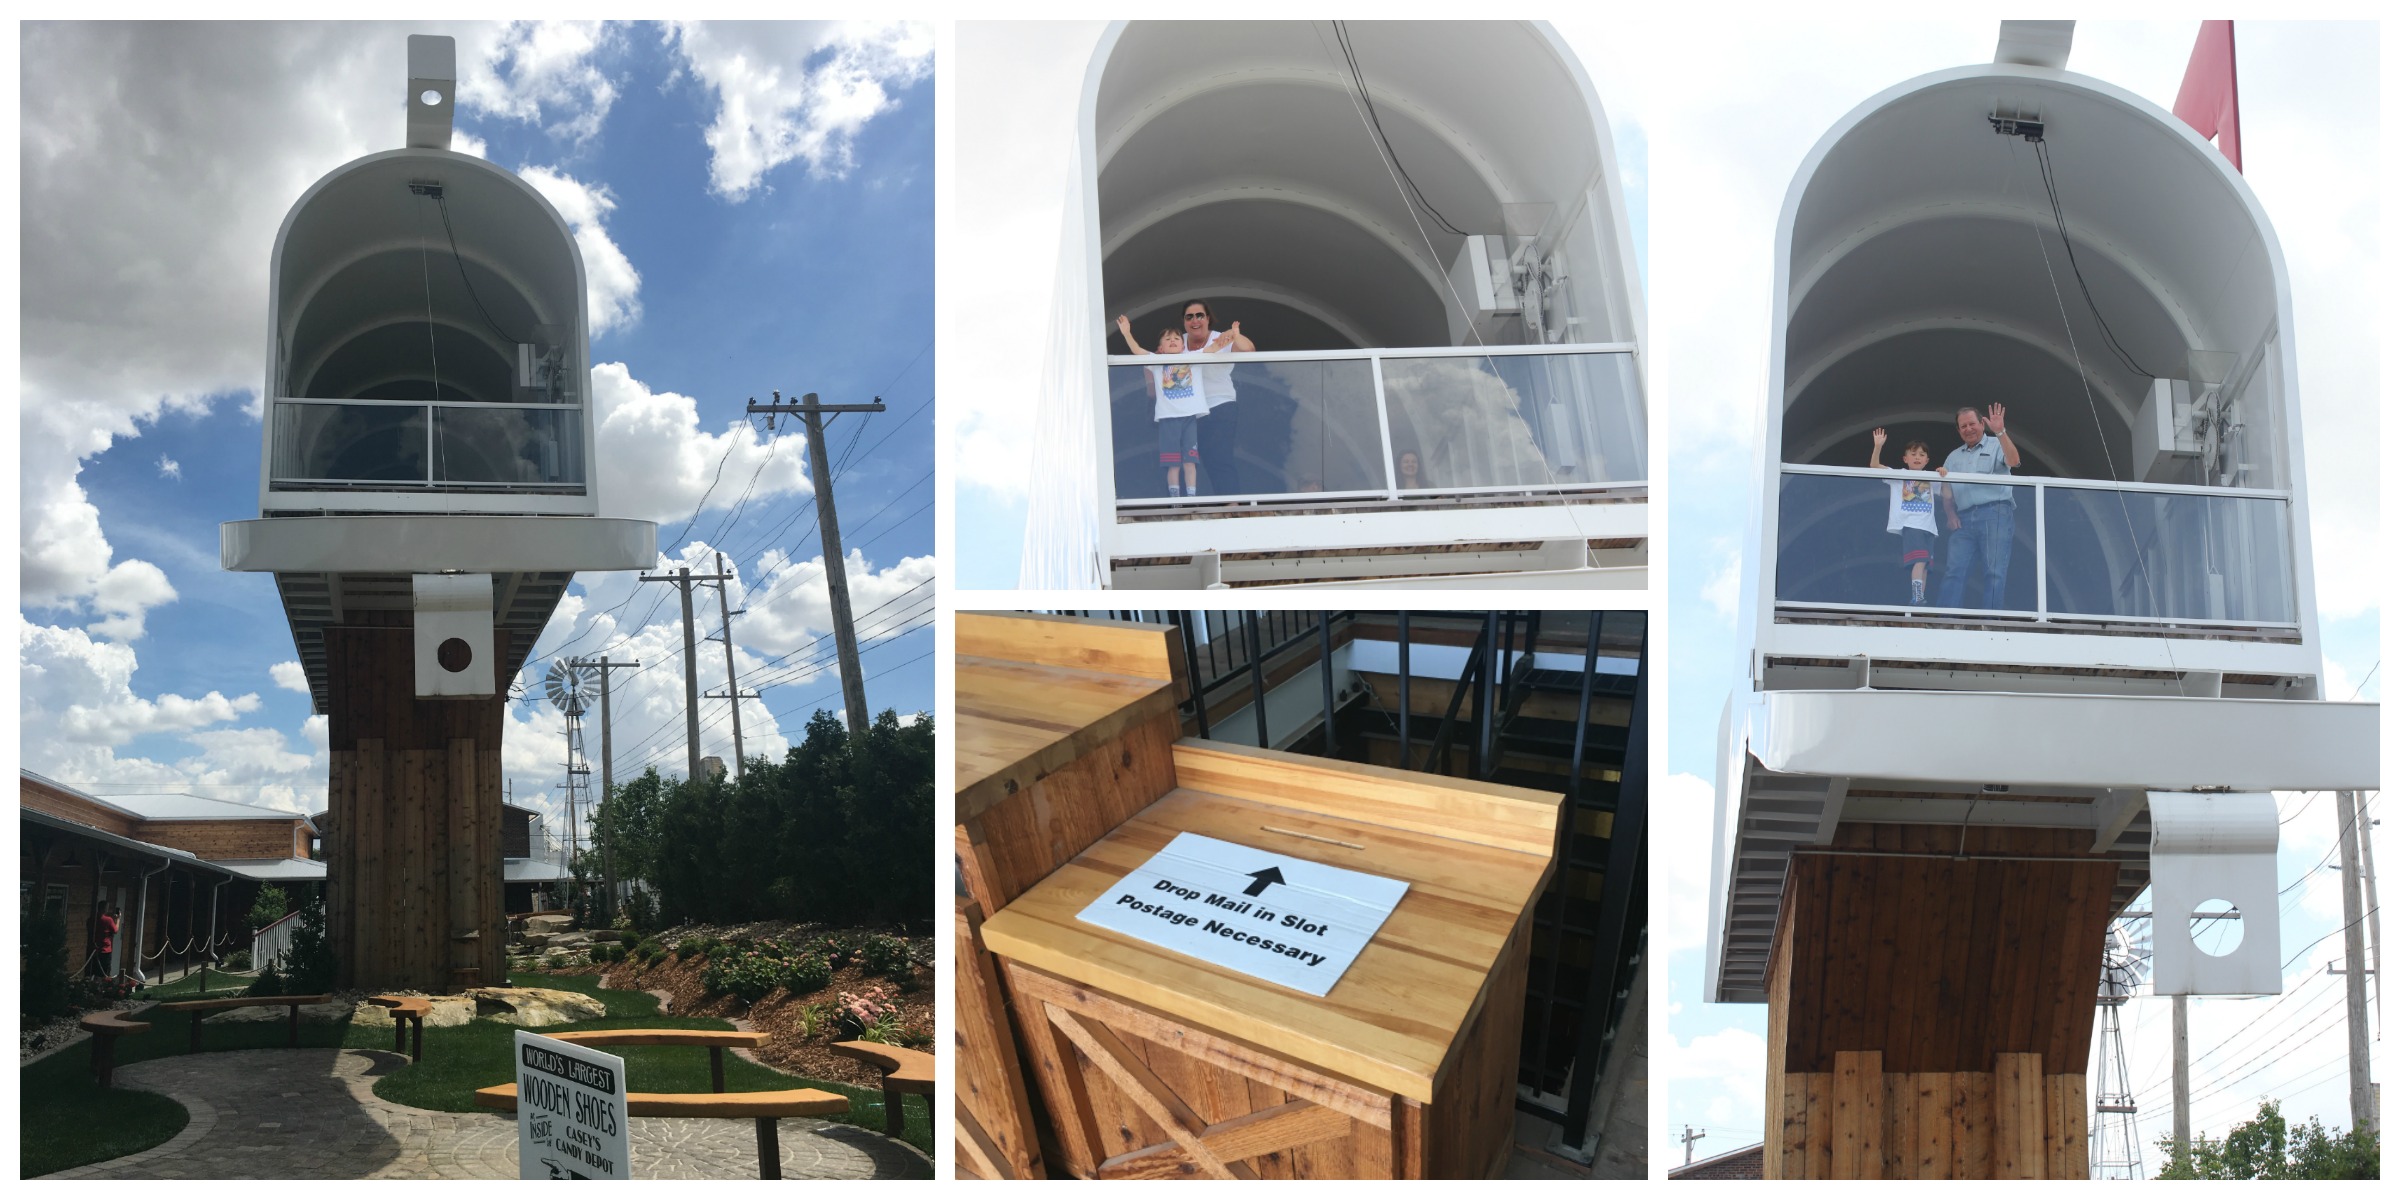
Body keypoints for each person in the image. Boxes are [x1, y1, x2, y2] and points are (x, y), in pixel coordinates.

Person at [1116, 314, 1223, 498]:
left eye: (1176, 339)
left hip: (1189, 418)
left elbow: (1212, 348)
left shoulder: (1193, 357)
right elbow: (1138, 351)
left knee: (1190, 462)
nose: (1173, 341)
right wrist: (1127, 333)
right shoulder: (1157, 362)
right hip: (1168, 419)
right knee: (1173, 463)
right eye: (1168, 339)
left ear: (1183, 345)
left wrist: (1229, 336)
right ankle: (1175, 500)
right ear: (1161, 347)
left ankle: (1192, 498)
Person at [1936, 403, 2021, 610]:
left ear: (1982, 424)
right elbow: (1946, 491)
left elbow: (2014, 460)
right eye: (1963, 426)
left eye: (1972, 424)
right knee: (1954, 570)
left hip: (1995, 513)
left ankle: (1989, 623)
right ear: (1958, 430)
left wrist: (2000, 431)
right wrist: (1949, 514)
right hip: (1963, 519)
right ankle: (1945, 622)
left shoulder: (1996, 444)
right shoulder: (1953, 457)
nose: (1968, 429)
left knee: (1994, 571)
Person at [1177, 300, 1253, 494]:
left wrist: (1235, 335)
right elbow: (1154, 360)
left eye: (1199, 315)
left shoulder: (1220, 339)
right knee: (1185, 462)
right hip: (1187, 412)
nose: (1195, 320)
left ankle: (1231, 504)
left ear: (1208, 318)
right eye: (1189, 316)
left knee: (1218, 458)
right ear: (1184, 321)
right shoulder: (1178, 341)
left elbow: (1249, 351)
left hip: (1219, 406)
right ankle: (1186, 507)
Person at [1870, 427, 1944, 605]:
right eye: (1913, 454)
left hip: (1929, 529)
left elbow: (1947, 493)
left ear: (1927, 460)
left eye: (1921, 454)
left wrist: (1944, 472)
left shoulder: (1931, 477)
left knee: (1925, 565)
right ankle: (1916, 597)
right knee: (1919, 560)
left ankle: (1920, 598)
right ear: (1905, 459)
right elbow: (1874, 466)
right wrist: (1878, 446)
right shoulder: (1899, 475)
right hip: (1911, 526)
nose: (1917, 457)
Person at [93, 902, 119, 977]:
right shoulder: (108, 920)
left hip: (95, 949)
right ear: (104, 909)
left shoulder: (93, 919)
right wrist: (117, 920)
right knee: (105, 972)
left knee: (96, 972)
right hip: (105, 950)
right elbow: (115, 930)